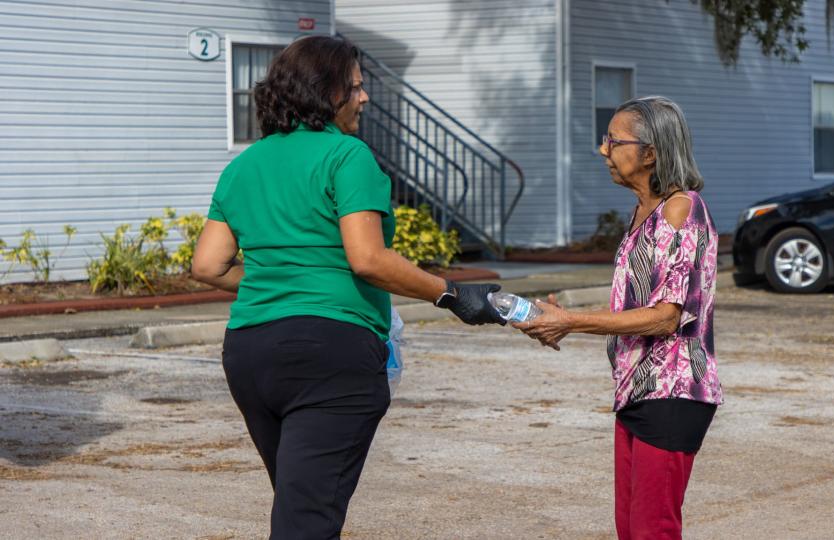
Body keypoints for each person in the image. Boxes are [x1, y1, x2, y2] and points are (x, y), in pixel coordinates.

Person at [191, 35, 503, 539]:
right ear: (323, 91)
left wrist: (284, 280)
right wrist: (451, 294)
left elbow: (207, 265)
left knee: (299, 504)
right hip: (329, 354)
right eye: (354, 88)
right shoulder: (346, 156)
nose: (364, 98)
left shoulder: (243, 166)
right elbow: (368, 259)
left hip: (250, 352)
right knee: (307, 518)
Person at [515, 96, 723, 540]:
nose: (602, 149)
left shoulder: (680, 209)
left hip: (672, 391)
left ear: (650, 153)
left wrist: (571, 320)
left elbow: (666, 317)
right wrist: (559, 319)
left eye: (613, 140)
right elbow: (634, 309)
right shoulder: (642, 213)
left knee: (652, 531)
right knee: (631, 530)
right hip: (635, 391)